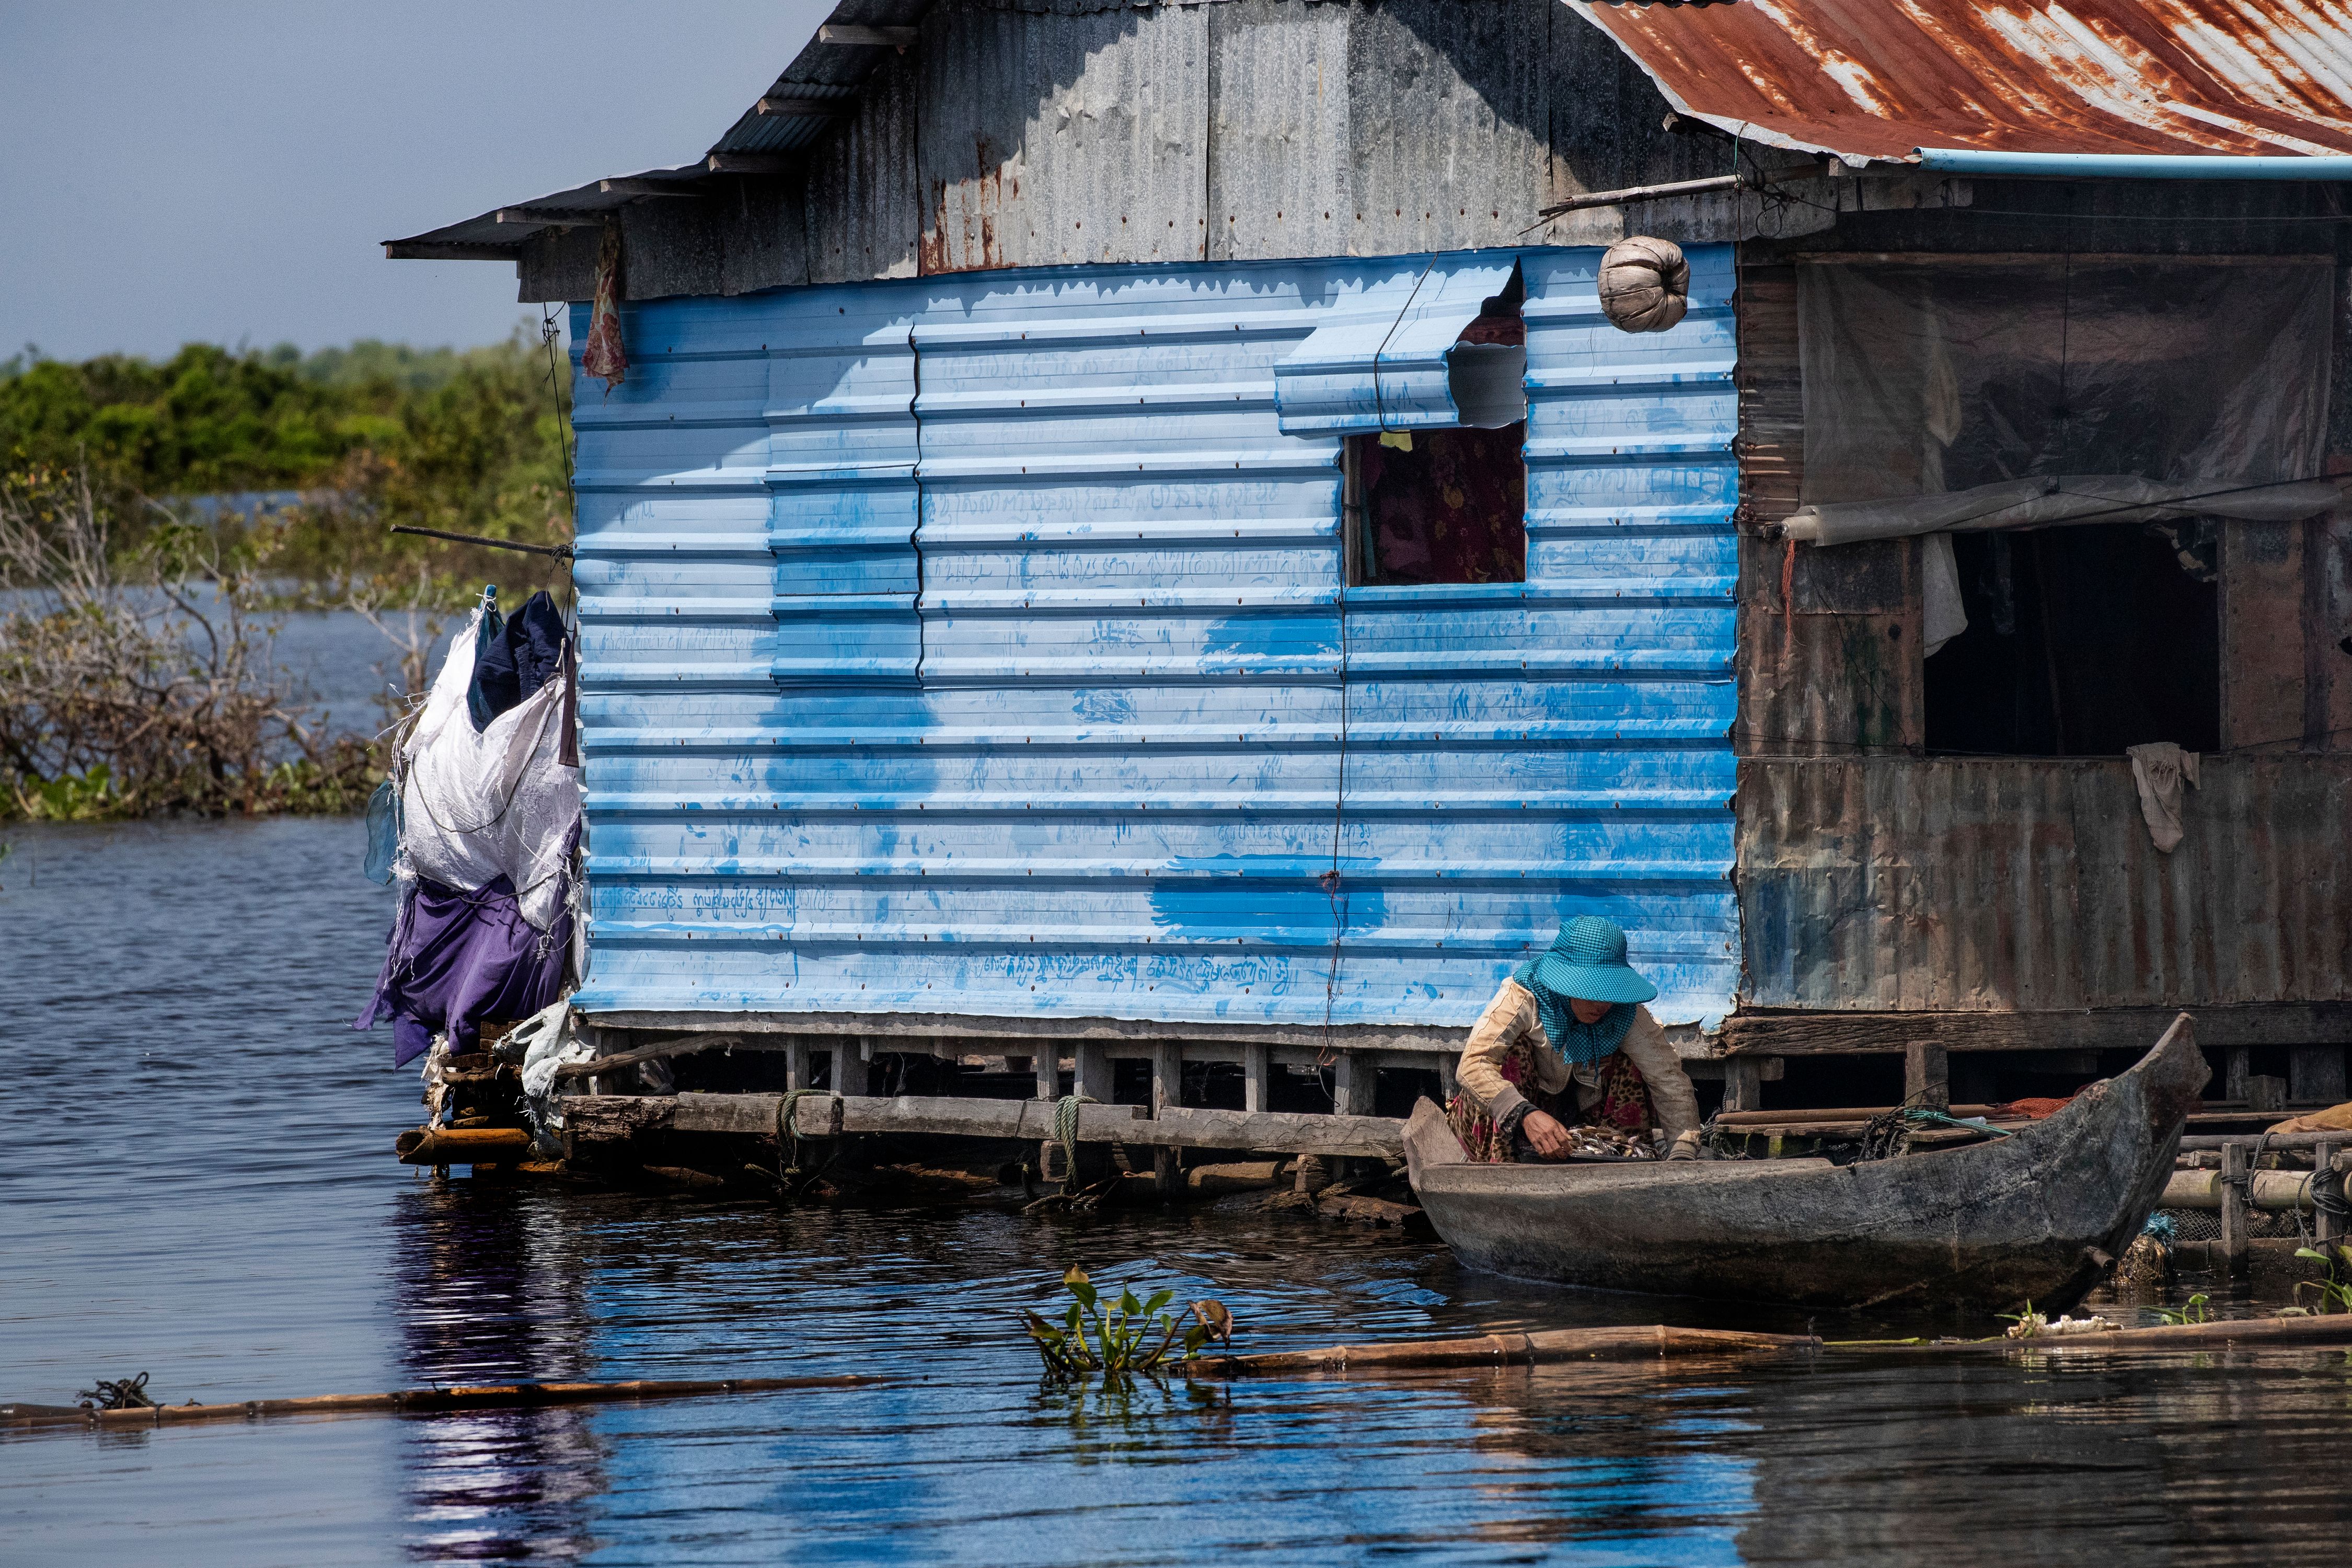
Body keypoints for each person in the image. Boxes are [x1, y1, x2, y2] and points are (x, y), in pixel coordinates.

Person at [1449, 914, 1702, 1162]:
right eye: (1591, 991)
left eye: (1609, 991)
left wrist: (1683, 1152)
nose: (1602, 1003)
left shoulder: (1626, 1014)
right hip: (1523, 1119)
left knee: (1631, 1063)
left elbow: (1668, 1079)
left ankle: (1624, 1169)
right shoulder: (1523, 996)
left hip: (1583, 1131)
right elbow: (1472, 1065)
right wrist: (1524, 1114)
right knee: (1509, 1057)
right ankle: (1505, 1174)